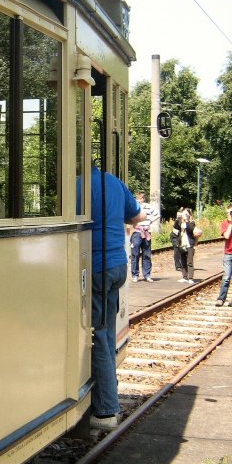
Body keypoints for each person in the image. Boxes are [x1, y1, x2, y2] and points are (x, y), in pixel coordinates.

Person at [88, 164, 145, 432]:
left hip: (97, 267)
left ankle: (107, 409)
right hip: (118, 266)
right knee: (107, 333)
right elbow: (137, 217)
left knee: (98, 335)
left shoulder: (77, 185)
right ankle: (109, 395)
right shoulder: (113, 182)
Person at [129, 192, 159, 282]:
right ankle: (135, 275)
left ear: (143, 199)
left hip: (146, 231)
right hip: (137, 232)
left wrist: (150, 221)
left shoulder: (148, 207)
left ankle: (147, 274)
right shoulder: (133, 207)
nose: (139, 200)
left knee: (147, 254)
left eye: (140, 198)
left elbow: (157, 214)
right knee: (135, 254)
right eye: (137, 199)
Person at [171, 208, 202, 284]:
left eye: (186, 214)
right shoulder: (180, 222)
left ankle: (190, 278)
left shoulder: (192, 223)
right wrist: (177, 218)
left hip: (189, 244)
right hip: (182, 244)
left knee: (190, 261)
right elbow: (175, 228)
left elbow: (191, 229)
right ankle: (184, 277)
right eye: (183, 214)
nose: (184, 215)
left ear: (189, 215)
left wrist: (186, 221)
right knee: (183, 261)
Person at [215, 205, 232, 307]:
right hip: (228, 254)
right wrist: (230, 223)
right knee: (226, 277)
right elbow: (226, 235)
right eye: (228, 213)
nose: (229, 214)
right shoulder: (225, 223)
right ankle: (221, 298)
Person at [170, 207, 185, 271]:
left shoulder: (187, 220)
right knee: (177, 250)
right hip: (175, 236)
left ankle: (183, 264)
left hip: (182, 236)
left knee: (183, 250)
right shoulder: (177, 220)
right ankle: (178, 266)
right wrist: (177, 218)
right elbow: (175, 226)